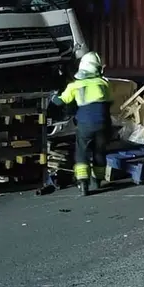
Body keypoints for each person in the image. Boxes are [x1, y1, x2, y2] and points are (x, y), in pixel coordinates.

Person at [51, 52, 113, 196]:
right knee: (99, 151)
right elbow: (109, 101)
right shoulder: (104, 83)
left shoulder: (75, 85)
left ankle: (83, 182)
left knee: (82, 152)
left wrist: (53, 97)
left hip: (85, 124)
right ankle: (98, 179)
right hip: (103, 123)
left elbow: (62, 101)